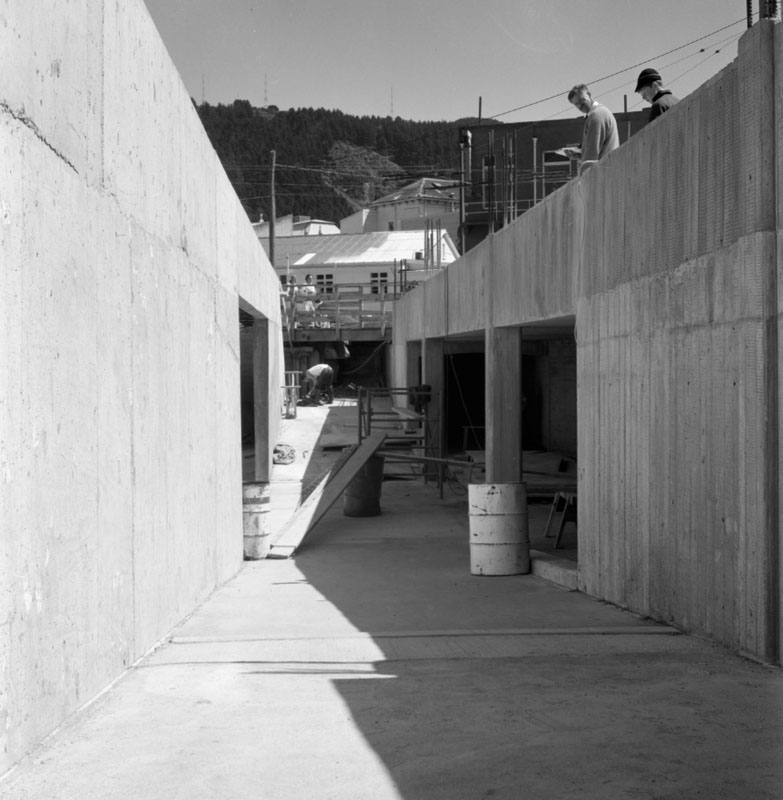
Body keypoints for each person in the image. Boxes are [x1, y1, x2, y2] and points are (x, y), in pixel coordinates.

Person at [566, 84, 619, 174]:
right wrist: (581, 155)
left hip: (602, 174)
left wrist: (583, 176)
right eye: (576, 104)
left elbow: (591, 154)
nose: (580, 106)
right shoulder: (601, 112)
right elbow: (600, 149)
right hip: (608, 171)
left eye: (581, 101)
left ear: (589, 94)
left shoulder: (596, 116)